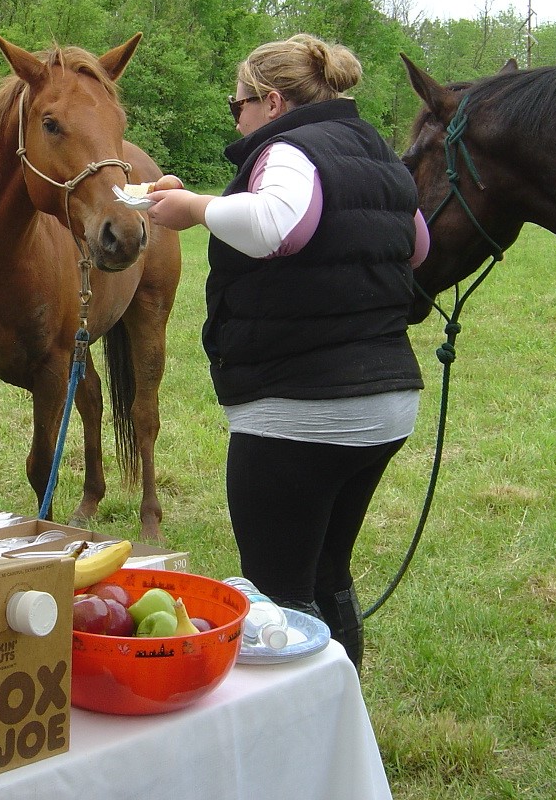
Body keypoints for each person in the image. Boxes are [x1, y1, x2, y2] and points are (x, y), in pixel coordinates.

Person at [147, 33, 429, 670]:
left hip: (301, 411)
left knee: (280, 594)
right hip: (385, 405)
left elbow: (278, 225)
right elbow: (418, 246)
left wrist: (197, 208)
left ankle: (300, 722)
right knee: (330, 574)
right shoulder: (376, 153)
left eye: (238, 104)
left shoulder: (288, 149)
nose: (236, 119)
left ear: (271, 102)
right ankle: (342, 708)